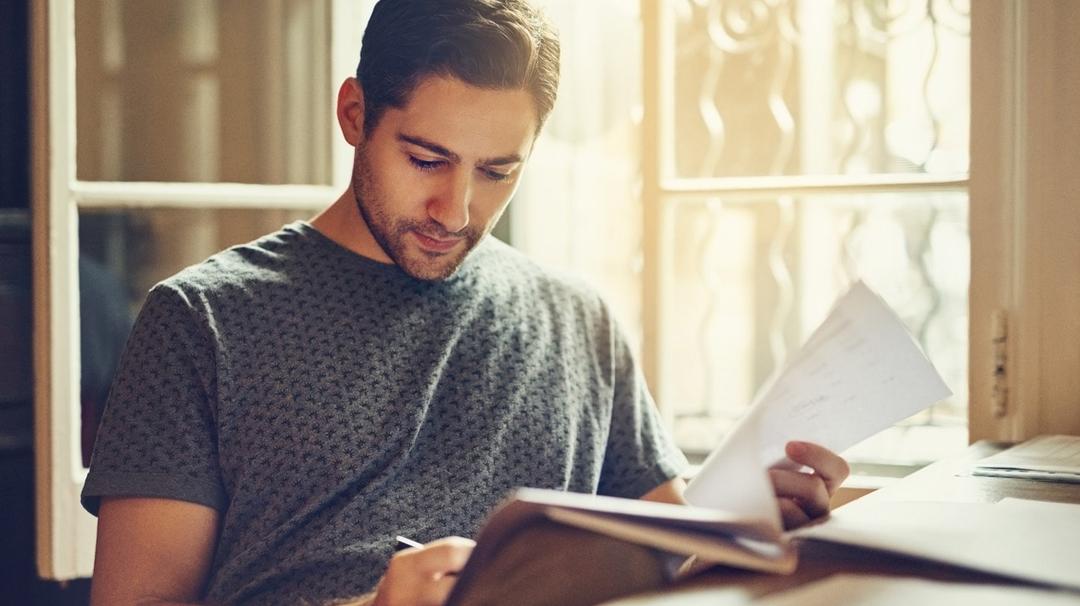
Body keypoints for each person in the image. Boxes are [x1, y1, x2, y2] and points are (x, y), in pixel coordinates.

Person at [82, 1, 850, 605]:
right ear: (354, 115)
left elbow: (669, 551)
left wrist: (750, 517)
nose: (455, 209)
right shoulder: (203, 322)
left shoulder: (577, 320)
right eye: (426, 159)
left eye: (497, 172)